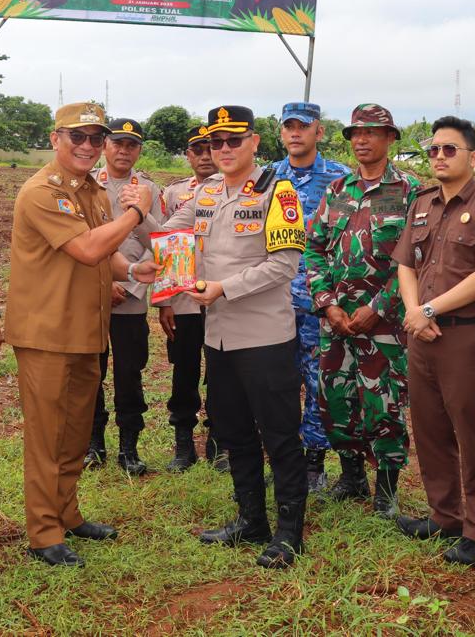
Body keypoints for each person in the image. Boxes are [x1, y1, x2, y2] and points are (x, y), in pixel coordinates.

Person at [1, 102, 158, 567]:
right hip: (47, 333)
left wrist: (131, 268)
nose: (88, 146)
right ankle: (43, 531)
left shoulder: (89, 191)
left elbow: (103, 250)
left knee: (72, 434)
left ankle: (67, 513)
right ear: (56, 140)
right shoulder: (41, 191)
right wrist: (136, 213)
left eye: (95, 138)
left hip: (85, 330)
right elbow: (88, 248)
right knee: (47, 437)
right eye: (78, 137)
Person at [163, 105, 309, 569]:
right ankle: (251, 521)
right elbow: (168, 234)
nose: (222, 150)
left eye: (233, 140)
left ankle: (289, 534)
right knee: (234, 432)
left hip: (264, 337)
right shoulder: (205, 193)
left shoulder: (278, 192)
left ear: (254, 142)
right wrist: (137, 234)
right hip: (220, 338)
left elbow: (284, 266)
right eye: (214, 143)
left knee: (280, 435)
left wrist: (225, 288)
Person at [393, 115, 475, 569]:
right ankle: (445, 516)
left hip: (465, 336)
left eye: (450, 149)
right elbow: (405, 263)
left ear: (473, 156)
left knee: (472, 434)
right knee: (429, 430)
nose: (440, 157)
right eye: (434, 150)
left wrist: (428, 311)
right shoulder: (422, 202)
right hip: (421, 335)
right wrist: (413, 313)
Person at [304, 104, 418, 519]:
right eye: (356, 133)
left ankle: (385, 490)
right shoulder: (336, 190)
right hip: (335, 323)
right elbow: (314, 249)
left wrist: (377, 307)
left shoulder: (410, 192)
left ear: (390, 138)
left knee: (384, 405)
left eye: (372, 133)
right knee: (334, 402)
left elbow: (414, 259)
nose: (362, 140)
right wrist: (328, 303)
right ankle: (350, 475)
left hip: (383, 325)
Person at [270, 101, 351, 492]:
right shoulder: (267, 178)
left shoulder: (340, 179)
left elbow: (352, 240)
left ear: (320, 131)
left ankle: (314, 462)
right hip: (271, 302)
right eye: (289, 126)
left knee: (319, 381)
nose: (295, 133)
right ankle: (285, 457)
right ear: (281, 132)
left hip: (319, 303)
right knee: (278, 383)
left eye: (304, 126)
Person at [88, 118, 162, 475]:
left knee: (130, 373)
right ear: (105, 146)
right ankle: (93, 444)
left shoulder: (147, 189)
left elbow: (159, 243)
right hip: (93, 297)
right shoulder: (87, 185)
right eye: (117, 143)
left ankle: (129, 447)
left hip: (131, 299)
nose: (123, 150)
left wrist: (130, 284)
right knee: (91, 371)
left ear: (139, 150)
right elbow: (82, 244)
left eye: (131, 145)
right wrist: (105, 283)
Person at [156, 124, 224, 471]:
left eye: (209, 147)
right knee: (183, 370)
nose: (203, 155)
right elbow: (164, 244)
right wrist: (164, 300)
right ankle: (183, 441)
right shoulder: (173, 194)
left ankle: (218, 439)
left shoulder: (232, 191)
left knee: (221, 370)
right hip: (183, 298)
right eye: (196, 149)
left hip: (220, 296)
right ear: (188, 155)